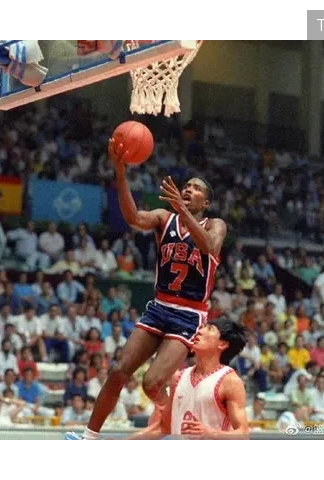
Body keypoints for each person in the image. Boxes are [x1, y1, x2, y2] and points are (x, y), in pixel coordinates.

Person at [67, 138, 227, 440]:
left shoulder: (214, 224)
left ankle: (176, 420)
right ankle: (89, 438)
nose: (188, 189)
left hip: (190, 314)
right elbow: (133, 217)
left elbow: (209, 247)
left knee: (151, 384)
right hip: (159, 307)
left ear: (205, 203)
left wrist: (184, 211)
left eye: (196, 188)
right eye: (186, 186)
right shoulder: (163, 219)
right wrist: (120, 173)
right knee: (117, 371)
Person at [121, 317, 250, 439]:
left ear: (222, 344)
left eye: (209, 328)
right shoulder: (178, 378)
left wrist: (210, 433)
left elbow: (243, 434)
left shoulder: (230, 381)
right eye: (203, 327)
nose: (200, 331)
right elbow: (163, 427)